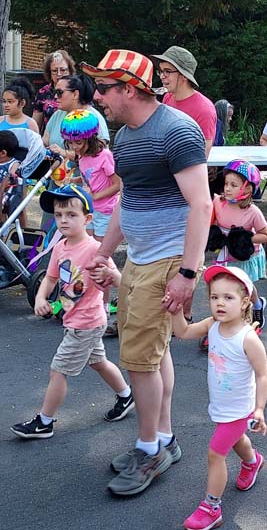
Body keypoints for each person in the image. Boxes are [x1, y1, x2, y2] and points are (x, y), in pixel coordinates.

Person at [81, 49, 211, 497]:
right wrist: (104, 252)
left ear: (129, 90)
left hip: (169, 261)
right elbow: (128, 201)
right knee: (153, 355)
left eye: (103, 88)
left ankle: (149, 447)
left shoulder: (177, 132)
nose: (96, 96)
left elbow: (202, 204)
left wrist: (188, 275)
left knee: (137, 358)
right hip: (139, 257)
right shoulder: (126, 136)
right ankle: (162, 439)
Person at [12, 185, 135, 440]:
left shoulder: (94, 249)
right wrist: (41, 297)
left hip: (87, 323)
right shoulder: (60, 247)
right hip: (75, 319)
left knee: (58, 371)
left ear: (87, 218)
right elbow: (50, 277)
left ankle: (44, 422)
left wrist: (112, 276)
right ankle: (126, 396)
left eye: (71, 214)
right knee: (98, 362)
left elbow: (120, 281)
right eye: (58, 215)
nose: (63, 220)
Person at [169, 266, 267, 530]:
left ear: (245, 301)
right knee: (236, 441)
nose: (220, 303)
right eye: (215, 297)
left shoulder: (248, 338)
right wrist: (176, 309)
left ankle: (211, 507)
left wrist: (259, 409)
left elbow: (262, 375)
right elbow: (182, 332)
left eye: (228, 297)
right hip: (221, 405)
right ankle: (253, 461)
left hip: (239, 409)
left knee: (216, 453)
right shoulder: (213, 325)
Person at [61, 110, 121, 239]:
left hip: (105, 210)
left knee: (100, 249)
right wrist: (74, 180)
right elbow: (90, 177)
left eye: (79, 142)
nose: (74, 147)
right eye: (70, 143)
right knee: (87, 245)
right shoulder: (82, 154)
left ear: (91, 139)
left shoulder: (104, 156)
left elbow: (118, 184)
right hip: (89, 207)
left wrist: (95, 196)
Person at [211, 160, 267, 282]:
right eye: (226, 184)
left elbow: (266, 236)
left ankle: (256, 302)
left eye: (233, 185)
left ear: (247, 189)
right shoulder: (218, 202)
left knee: (244, 287)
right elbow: (213, 221)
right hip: (227, 252)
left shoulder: (253, 212)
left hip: (245, 256)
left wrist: (244, 239)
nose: (227, 189)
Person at [154, 46, 217, 153]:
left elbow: (202, 155)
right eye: (161, 71)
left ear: (184, 76)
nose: (162, 76)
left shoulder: (205, 110)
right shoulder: (167, 97)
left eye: (167, 71)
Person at [44, 73, 109, 154]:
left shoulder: (93, 117)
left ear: (75, 94)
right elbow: (45, 142)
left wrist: (64, 153)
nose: (55, 96)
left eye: (60, 92)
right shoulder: (57, 114)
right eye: (54, 92)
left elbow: (99, 153)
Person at [33, 50, 75, 130]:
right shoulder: (42, 93)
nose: (59, 74)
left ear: (69, 71)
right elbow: (36, 125)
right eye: (55, 71)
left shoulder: (77, 90)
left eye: (63, 70)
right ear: (49, 73)